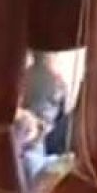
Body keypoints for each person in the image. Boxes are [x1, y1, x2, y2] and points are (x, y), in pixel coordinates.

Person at [20, 51, 68, 183]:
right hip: (38, 140)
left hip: (24, 137)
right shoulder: (57, 82)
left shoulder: (21, 76)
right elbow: (60, 118)